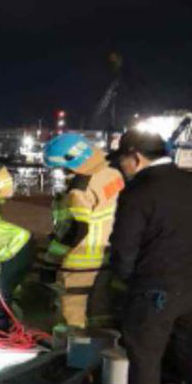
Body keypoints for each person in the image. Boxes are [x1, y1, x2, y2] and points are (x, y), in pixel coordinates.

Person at [107, 129, 192, 384]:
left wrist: (125, 280)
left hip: (154, 286)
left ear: (136, 157)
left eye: (122, 161)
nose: (122, 168)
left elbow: (124, 247)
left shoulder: (140, 191)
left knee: (145, 352)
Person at [39, 133, 125, 328]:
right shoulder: (113, 174)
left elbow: (76, 229)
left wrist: (51, 262)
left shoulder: (79, 190)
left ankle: (72, 352)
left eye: (60, 167)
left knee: (72, 312)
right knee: (99, 309)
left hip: (81, 260)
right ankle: (99, 347)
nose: (60, 172)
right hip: (107, 254)